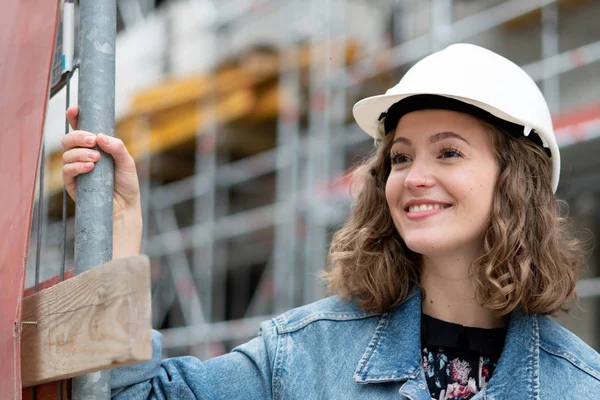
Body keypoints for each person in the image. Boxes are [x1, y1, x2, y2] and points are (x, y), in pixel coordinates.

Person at [62, 43, 600, 399]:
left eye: (449, 153)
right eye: (402, 157)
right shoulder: (306, 353)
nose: (412, 177)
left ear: (517, 181)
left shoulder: (579, 385)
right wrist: (120, 241)